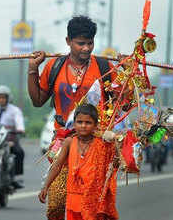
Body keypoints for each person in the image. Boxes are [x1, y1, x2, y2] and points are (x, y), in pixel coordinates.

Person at [28, 15, 120, 220]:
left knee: (93, 204)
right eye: (80, 43)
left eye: (90, 43)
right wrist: (33, 69)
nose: (86, 48)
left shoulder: (105, 68)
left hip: (96, 142)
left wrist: (126, 72)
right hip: (63, 139)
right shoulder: (55, 66)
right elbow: (37, 100)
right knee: (56, 204)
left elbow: (124, 103)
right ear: (68, 41)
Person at [38, 104, 118, 220]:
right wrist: (46, 186)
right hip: (73, 199)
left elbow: (115, 162)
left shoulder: (101, 143)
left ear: (96, 125)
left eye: (88, 123)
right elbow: (57, 166)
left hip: (93, 200)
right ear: (74, 124)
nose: (83, 126)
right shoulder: (69, 142)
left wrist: (114, 141)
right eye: (80, 122)